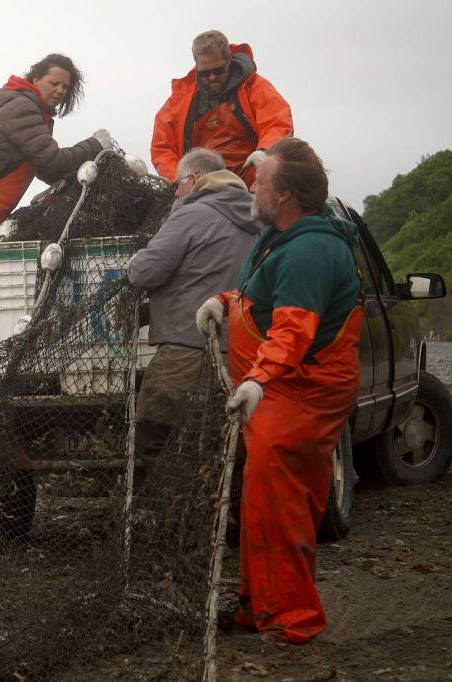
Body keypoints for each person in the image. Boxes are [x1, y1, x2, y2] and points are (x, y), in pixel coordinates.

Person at [195, 137, 361, 643]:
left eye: (261, 183)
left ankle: (294, 620)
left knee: (281, 506)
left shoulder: (311, 251)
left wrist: (258, 381)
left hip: (299, 393)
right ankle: (259, 607)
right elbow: (259, 296)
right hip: (278, 392)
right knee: (260, 502)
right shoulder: (284, 236)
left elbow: (292, 332)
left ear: (285, 195)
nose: (253, 190)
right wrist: (225, 301)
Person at [0, 53, 112, 349]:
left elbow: (45, 170)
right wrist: (94, 145)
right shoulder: (22, 109)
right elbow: (54, 162)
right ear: (35, 79)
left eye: (65, 88)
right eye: (53, 83)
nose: (59, 91)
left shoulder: (37, 116)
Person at [127, 147, 258, 464]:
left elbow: (147, 271)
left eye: (178, 184)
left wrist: (135, 262)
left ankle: (159, 513)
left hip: (187, 347)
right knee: (223, 439)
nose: (177, 191)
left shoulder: (190, 213)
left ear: (195, 178)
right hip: (243, 351)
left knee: (152, 439)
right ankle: (227, 511)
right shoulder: (259, 216)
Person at [151, 30, 293, 189]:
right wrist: (180, 179)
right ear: (196, 66)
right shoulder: (179, 101)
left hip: (249, 180)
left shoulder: (254, 87)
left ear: (229, 60)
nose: (212, 77)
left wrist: (264, 152)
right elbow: (162, 147)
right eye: (204, 73)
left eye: (218, 70)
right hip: (200, 186)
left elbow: (277, 122)